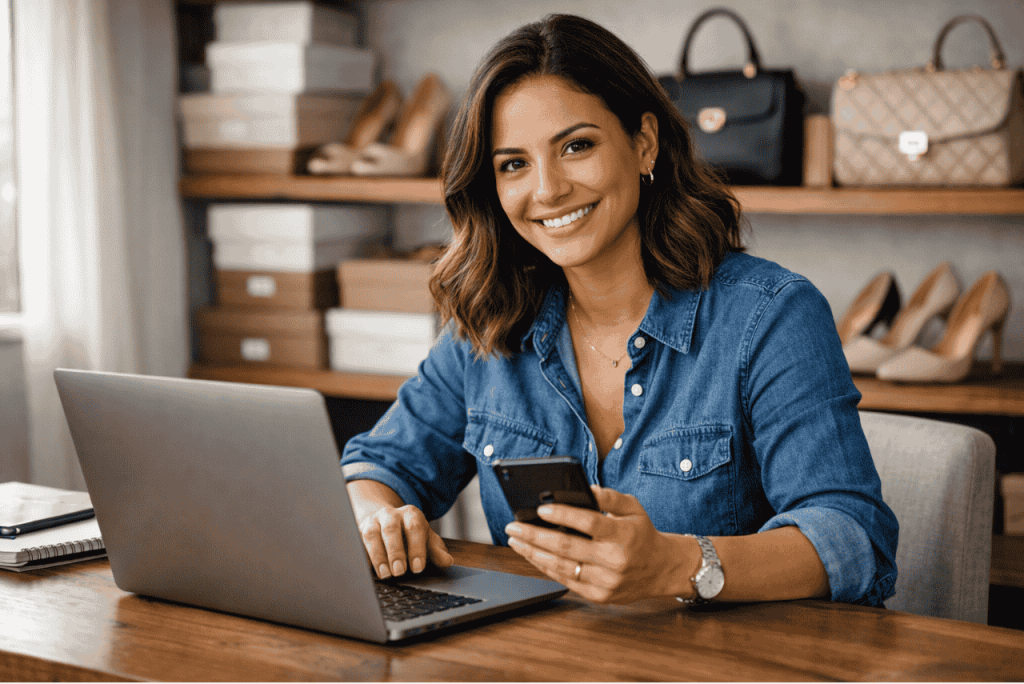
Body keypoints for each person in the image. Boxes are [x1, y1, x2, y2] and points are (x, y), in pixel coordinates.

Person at [341, 13, 898, 607]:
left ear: (644, 144)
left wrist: (679, 566)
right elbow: (379, 465)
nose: (548, 189)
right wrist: (376, 517)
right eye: (514, 164)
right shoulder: (492, 319)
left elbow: (854, 536)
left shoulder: (769, 316)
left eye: (576, 146)